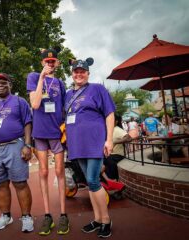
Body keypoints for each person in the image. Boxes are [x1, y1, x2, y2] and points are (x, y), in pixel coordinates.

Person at [65, 57, 115, 238]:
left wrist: (109, 139)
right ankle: (97, 219)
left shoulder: (97, 89)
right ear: (72, 74)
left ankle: (107, 220)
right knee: (89, 182)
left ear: (88, 73)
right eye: (76, 71)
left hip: (94, 141)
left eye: (82, 71)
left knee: (93, 181)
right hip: (77, 144)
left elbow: (109, 114)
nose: (79, 74)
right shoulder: (68, 94)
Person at [0, 73, 34, 233]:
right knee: (0, 184)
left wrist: (27, 145)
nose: (0, 85)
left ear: (10, 85)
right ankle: (5, 216)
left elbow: (27, 123)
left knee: (20, 183)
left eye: (3, 82)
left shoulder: (19, 101)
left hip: (15, 145)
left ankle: (26, 217)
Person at [26, 47, 69, 235]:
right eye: (47, 61)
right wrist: (42, 78)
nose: (50, 64)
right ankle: (47, 215)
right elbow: (35, 104)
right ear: (42, 62)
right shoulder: (34, 77)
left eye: (53, 61)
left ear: (57, 63)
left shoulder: (60, 83)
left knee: (59, 171)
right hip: (40, 132)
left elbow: (65, 108)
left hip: (56, 132)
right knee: (43, 172)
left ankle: (63, 215)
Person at [103, 116, 132, 181]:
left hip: (116, 155)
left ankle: (112, 180)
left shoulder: (117, 129)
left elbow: (129, 138)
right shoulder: (110, 130)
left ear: (116, 122)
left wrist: (114, 142)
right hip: (111, 155)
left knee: (104, 161)